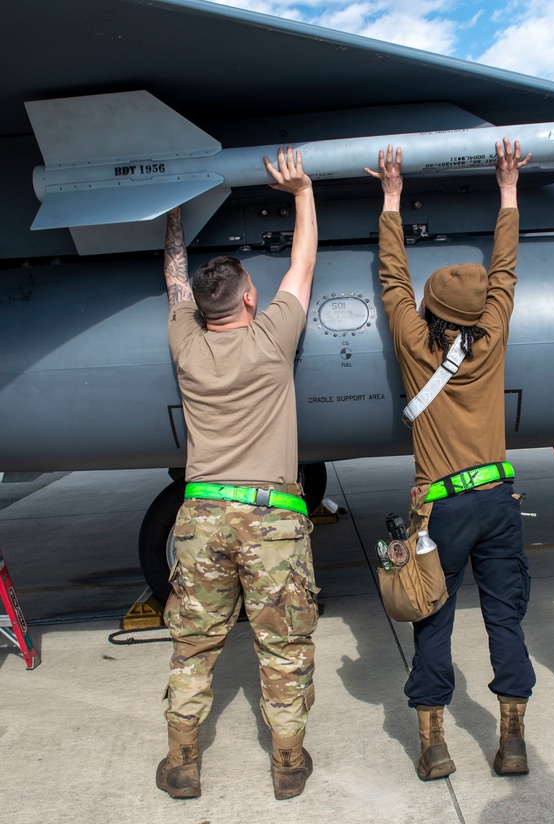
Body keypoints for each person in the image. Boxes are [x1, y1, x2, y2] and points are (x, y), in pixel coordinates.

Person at [365, 138, 535, 780]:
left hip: (439, 509)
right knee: (505, 620)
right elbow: (507, 272)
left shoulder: (414, 341)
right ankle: (512, 742)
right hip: (497, 500)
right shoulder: (490, 339)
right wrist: (509, 192)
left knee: (431, 619)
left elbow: (393, 279)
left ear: (432, 310)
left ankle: (434, 746)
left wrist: (390, 200)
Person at [157, 147, 320, 800]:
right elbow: (303, 264)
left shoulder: (186, 343)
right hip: (273, 518)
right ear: (252, 298)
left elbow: (174, 280)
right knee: (283, 649)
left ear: (200, 309)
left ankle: (182, 764)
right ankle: (286, 764)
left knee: (193, 649)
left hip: (200, 517)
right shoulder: (273, 337)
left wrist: (171, 220)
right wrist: (301, 191)